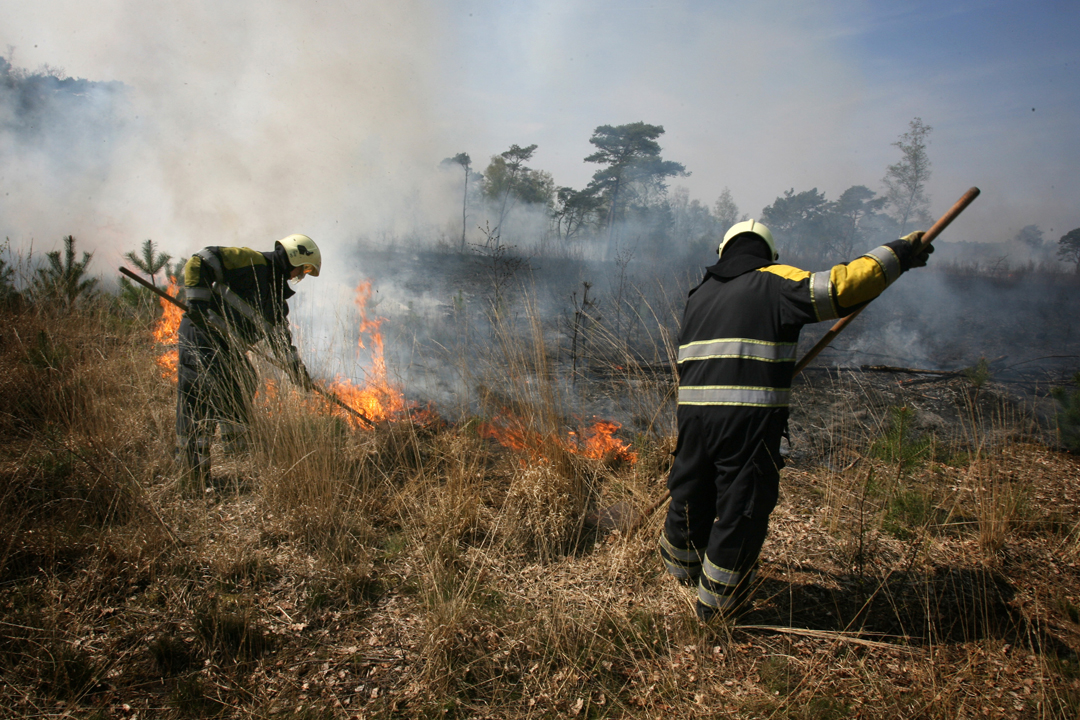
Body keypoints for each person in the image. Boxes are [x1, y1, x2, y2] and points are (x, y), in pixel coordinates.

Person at [659, 220, 931, 620]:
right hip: (746, 421)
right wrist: (900, 253)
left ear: (724, 250)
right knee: (741, 506)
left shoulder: (700, 293)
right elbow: (841, 288)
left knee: (690, 489)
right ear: (770, 254)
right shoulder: (774, 280)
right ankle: (718, 610)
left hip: (694, 417)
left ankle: (680, 571)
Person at [176, 234, 321, 484]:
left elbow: (281, 341)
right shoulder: (253, 262)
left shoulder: (275, 300)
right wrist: (198, 303)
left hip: (226, 347)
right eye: (304, 268)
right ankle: (205, 466)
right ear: (294, 256)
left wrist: (297, 372)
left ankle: (198, 476)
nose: (302, 275)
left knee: (238, 380)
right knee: (205, 398)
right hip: (202, 333)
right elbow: (202, 259)